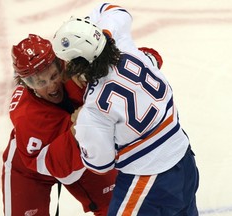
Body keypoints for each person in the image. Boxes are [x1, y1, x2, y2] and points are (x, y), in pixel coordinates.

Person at [52, 3, 199, 216]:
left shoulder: (92, 110)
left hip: (148, 181)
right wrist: (92, 34)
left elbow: (100, 164)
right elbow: (112, 9)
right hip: (184, 159)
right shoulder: (126, 47)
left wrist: (79, 133)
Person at [1, 34, 118, 216]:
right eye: (40, 82)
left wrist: (148, 58)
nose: (51, 86)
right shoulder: (27, 118)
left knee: (117, 208)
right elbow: (62, 170)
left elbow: (113, 52)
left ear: (60, 63)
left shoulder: (75, 70)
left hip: (81, 150)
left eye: (54, 75)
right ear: (27, 84)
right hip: (31, 170)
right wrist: (80, 125)